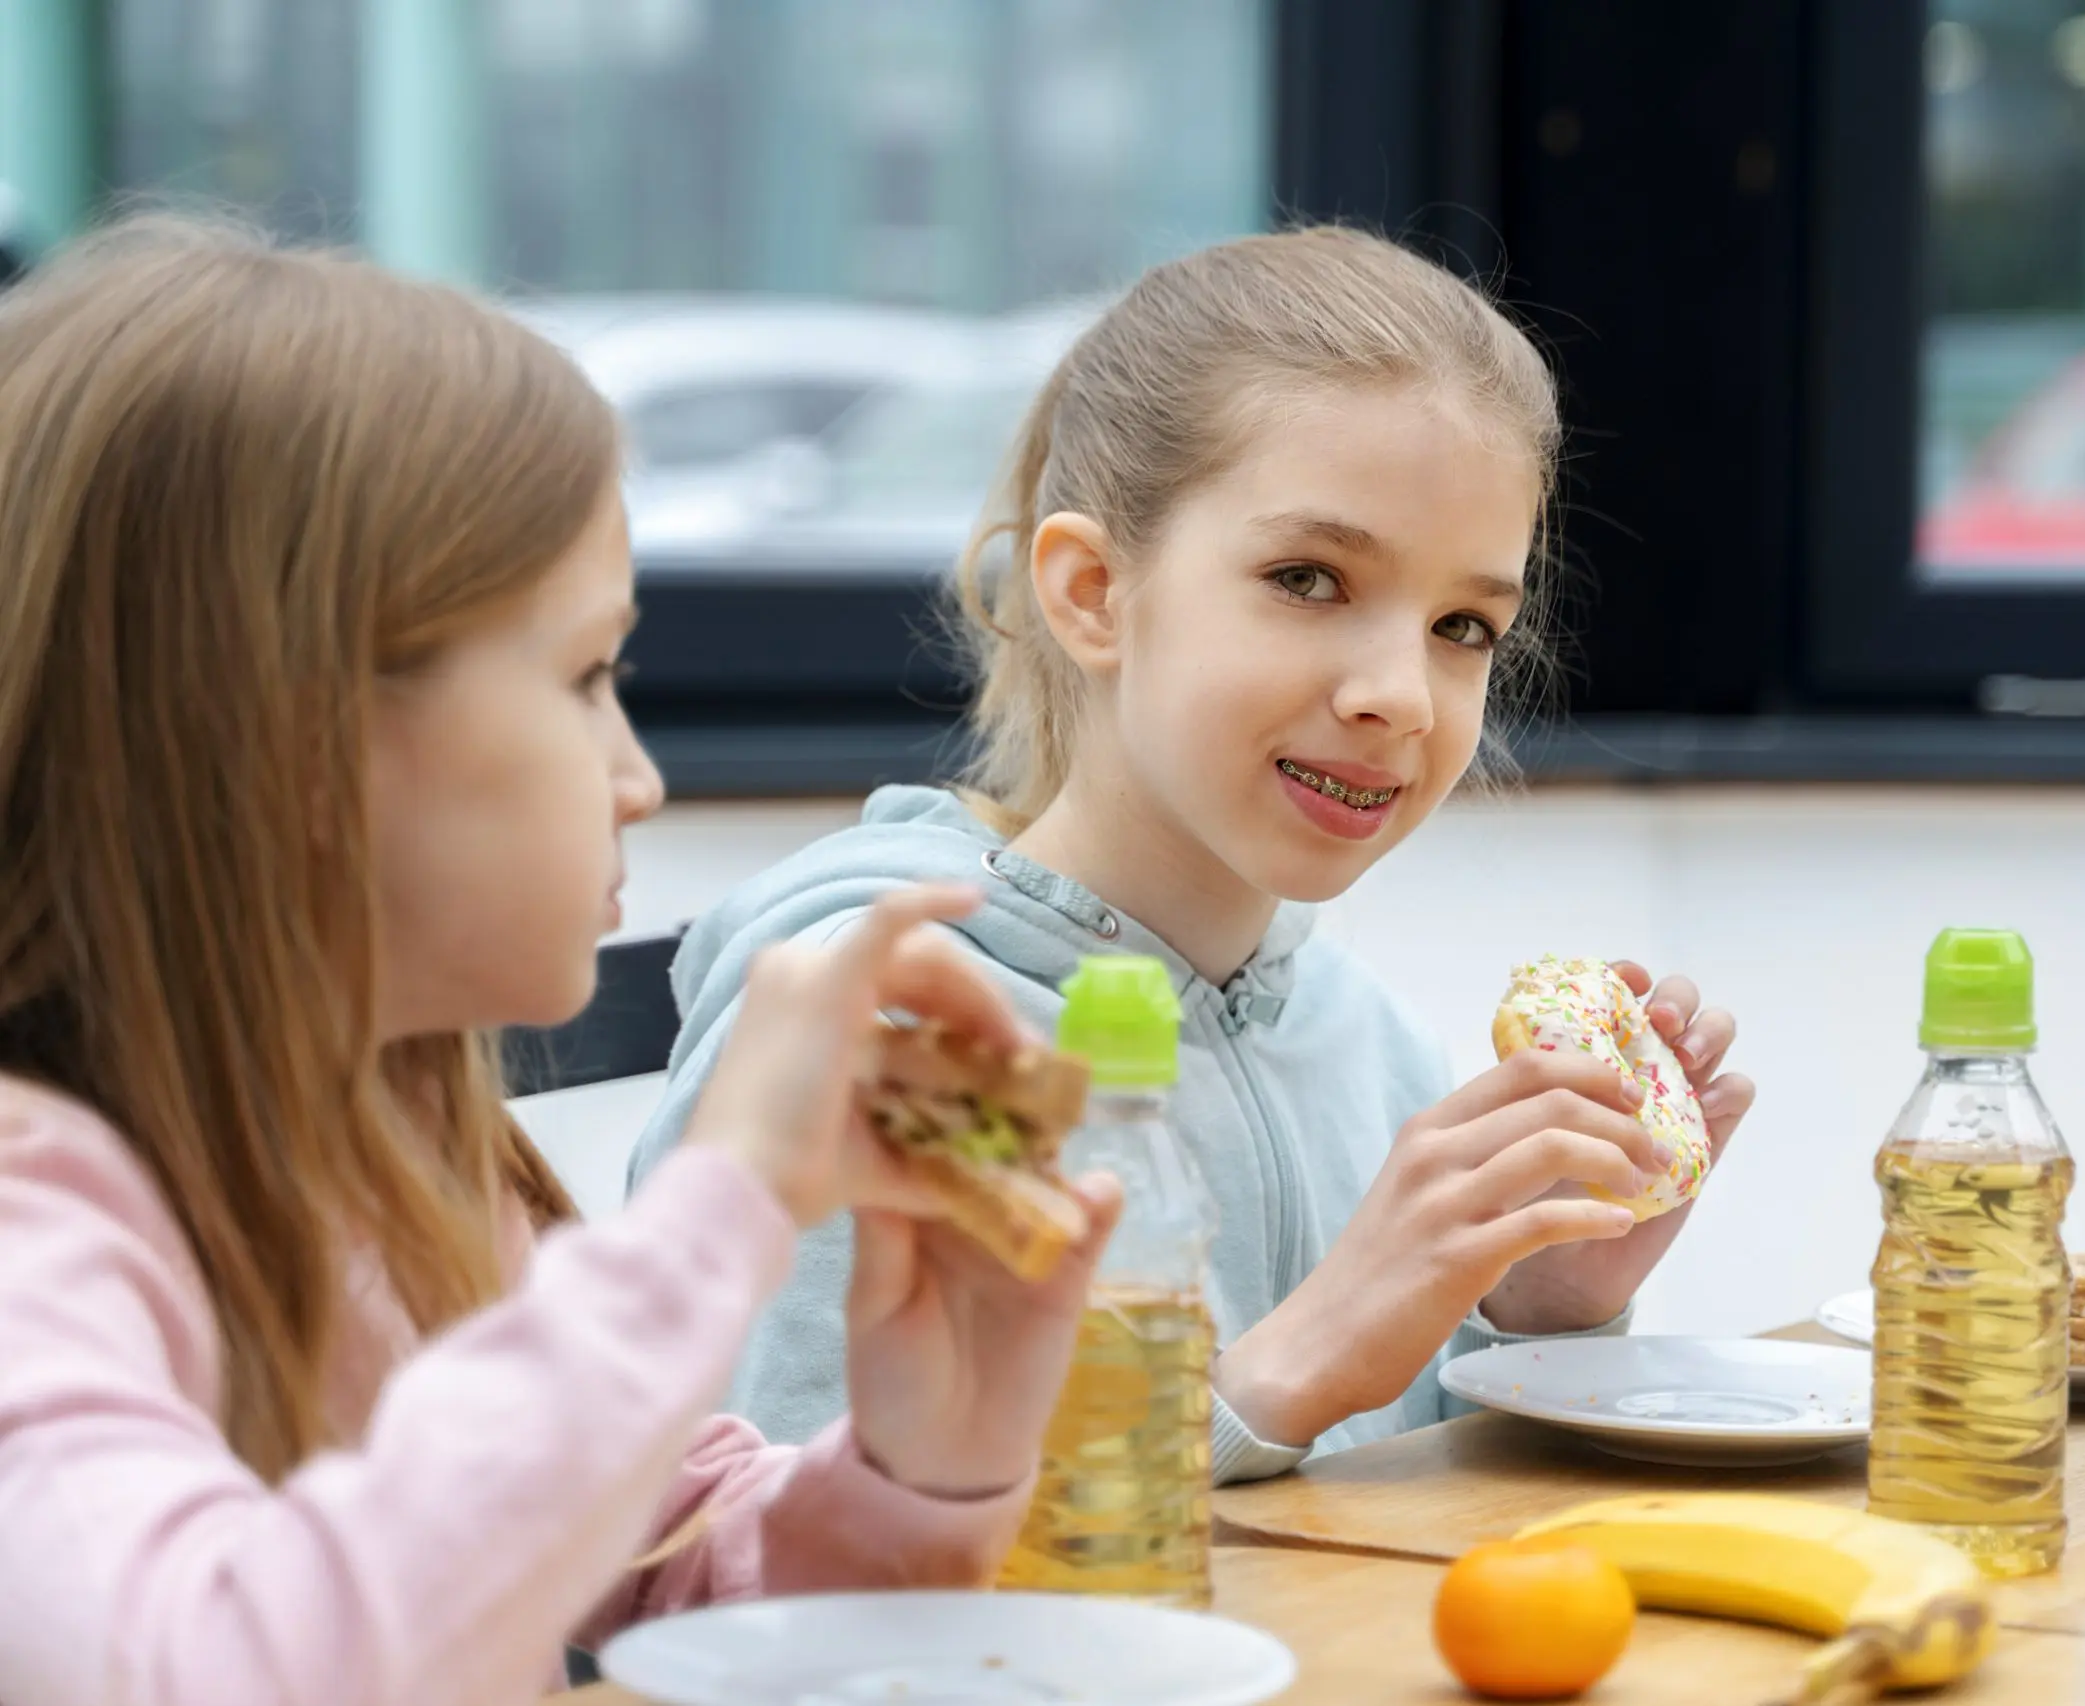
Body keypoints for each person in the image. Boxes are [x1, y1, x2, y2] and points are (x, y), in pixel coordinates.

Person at [0, 217, 1120, 1706]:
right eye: (588, 675)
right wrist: (724, 1203)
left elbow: (686, 1565)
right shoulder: (31, 1219)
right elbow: (222, 1662)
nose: (635, 774)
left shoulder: (387, 1151)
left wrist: (931, 1446)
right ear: (292, 741)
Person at [627, 226, 1757, 1484]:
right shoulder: (886, 1029)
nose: (1403, 693)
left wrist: (1541, 1312)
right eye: (1308, 577)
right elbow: (760, 1579)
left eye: (1461, 624)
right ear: (1095, 592)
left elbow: (1374, 1527)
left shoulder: (1364, 1040)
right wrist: (1277, 1377)